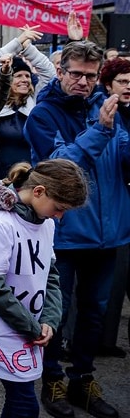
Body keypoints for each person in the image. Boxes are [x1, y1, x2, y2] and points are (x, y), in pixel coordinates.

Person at [24, 41, 130, 418]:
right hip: (66, 233)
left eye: (90, 75)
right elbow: (60, 167)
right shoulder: (43, 114)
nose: (83, 82)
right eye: (75, 74)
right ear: (61, 71)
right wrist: (101, 129)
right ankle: (51, 380)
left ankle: (83, 380)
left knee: (95, 313)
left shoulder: (110, 107)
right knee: (57, 308)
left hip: (108, 232)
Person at [0, 160, 89, 418]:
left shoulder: (46, 224)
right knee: (24, 405)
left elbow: (51, 276)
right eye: (59, 208)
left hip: (28, 331)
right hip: (6, 330)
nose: (59, 216)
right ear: (38, 191)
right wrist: (32, 327)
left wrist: (50, 320)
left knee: (20, 402)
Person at [0, 28, 56, 180]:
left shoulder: (34, 102)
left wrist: (27, 48)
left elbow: (50, 74)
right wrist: (18, 42)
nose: (25, 80)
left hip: (30, 180)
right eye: (18, 76)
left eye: (27, 76)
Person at [98, 58, 130, 359]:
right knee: (106, 283)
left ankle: (107, 341)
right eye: (123, 80)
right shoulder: (105, 114)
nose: (129, 86)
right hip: (113, 207)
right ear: (108, 85)